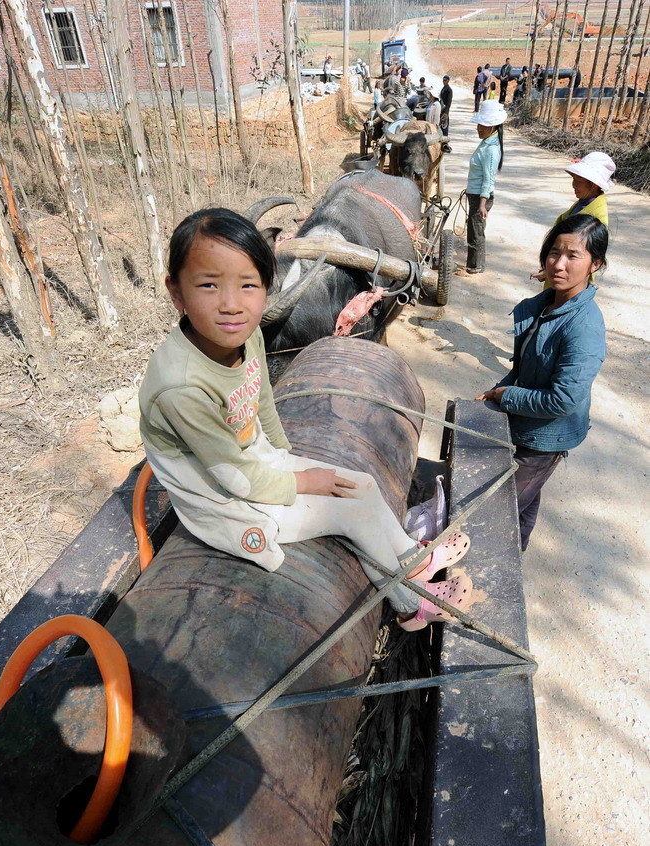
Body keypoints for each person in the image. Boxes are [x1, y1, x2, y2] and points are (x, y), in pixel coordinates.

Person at [139, 208, 475, 631]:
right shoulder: (182, 387)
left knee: (362, 484)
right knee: (351, 514)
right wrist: (304, 481)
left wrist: (286, 457)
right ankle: (410, 607)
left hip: (254, 463)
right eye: (209, 285)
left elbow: (262, 400)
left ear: (267, 287)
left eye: (248, 285)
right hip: (220, 499)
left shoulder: (248, 335)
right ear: (176, 292)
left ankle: (414, 561)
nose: (231, 304)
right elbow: (234, 480)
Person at [476, 214, 608, 551]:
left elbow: (563, 399)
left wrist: (507, 395)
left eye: (573, 256)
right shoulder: (544, 305)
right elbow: (525, 366)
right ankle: (516, 552)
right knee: (525, 497)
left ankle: (496, 563)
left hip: (544, 438)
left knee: (495, 512)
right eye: (554, 253)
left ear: (595, 264)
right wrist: (500, 389)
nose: (559, 265)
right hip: (524, 423)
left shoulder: (584, 327)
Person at [531, 151, 615, 282]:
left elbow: (577, 256)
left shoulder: (596, 217)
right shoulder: (584, 202)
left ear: (594, 184)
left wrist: (551, 271)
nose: (574, 185)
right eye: (574, 179)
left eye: (578, 181)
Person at [457, 98, 506, 276]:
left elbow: (488, 179)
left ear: (493, 127)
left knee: (476, 232)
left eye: (482, 126)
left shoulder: (491, 150)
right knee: (473, 229)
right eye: (478, 125)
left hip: (480, 197)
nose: (478, 128)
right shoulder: (487, 142)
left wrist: (482, 204)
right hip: (475, 194)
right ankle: (474, 264)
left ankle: (476, 266)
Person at [439, 75, 453, 145]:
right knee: (441, 124)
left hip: (445, 110)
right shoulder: (444, 88)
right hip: (441, 109)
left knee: (445, 125)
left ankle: (445, 142)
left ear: (448, 81)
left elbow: (449, 101)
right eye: (443, 80)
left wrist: (446, 111)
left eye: (445, 80)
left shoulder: (449, 90)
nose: (444, 82)